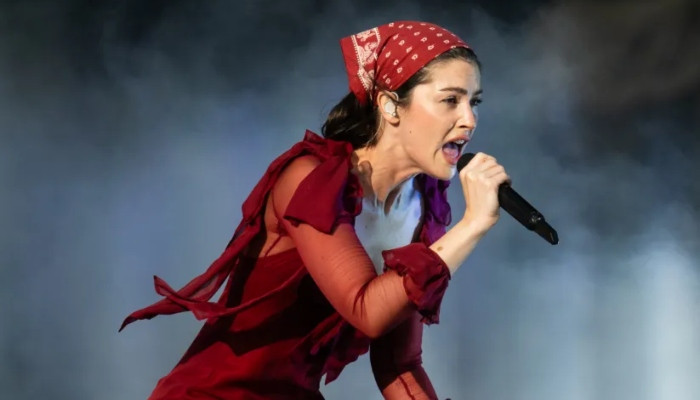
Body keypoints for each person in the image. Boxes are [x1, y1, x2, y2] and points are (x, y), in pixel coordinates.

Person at [120, 20, 509, 400]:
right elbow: (368, 310)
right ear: (390, 105)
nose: (470, 120)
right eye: (450, 100)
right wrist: (473, 224)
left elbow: (398, 362)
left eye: (474, 102)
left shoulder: (423, 207)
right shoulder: (312, 179)